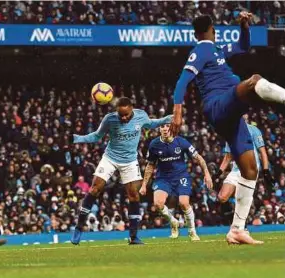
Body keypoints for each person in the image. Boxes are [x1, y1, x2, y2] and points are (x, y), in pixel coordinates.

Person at [170, 12, 285, 244]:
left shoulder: (217, 50)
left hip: (231, 115)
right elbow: (182, 81)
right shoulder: (201, 50)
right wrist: (177, 112)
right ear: (211, 28)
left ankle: (236, 230)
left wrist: (244, 26)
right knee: (254, 80)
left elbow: (244, 45)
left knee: (250, 170)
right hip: (218, 104)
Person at [71, 97, 171, 245]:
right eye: (121, 115)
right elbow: (97, 136)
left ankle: (133, 236)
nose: (123, 117)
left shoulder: (140, 116)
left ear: (132, 109)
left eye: (126, 115)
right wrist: (79, 139)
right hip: (110, 158)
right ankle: (79, 228)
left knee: (133, 195)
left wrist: (168, 118)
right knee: (94, 189)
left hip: (130, 161)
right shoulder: (110, 120)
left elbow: (151, 123)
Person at [140, 124, 213, 241]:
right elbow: (150, 165)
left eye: (167, 126)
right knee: (158, 203)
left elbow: (198, 157)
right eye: (162, 126)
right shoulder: (154, 144)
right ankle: (173, 222)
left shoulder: (181, 142)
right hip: (163, 178)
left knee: (184, 203)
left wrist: (207, 173)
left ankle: (192, 231)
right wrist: (144, 185)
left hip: (181, 177)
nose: (165, 129)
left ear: (172, 128)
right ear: (159, 129)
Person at [215, 115, 275, 225]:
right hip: (236, 170)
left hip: (250, 171)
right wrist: (217, 173)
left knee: (241, 199)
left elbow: (262, 152)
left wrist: (266, 171)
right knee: (222, 197)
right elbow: (228, 157)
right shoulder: (231, 133)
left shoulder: (253, 130)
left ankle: (242, 225)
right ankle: (241, 207)